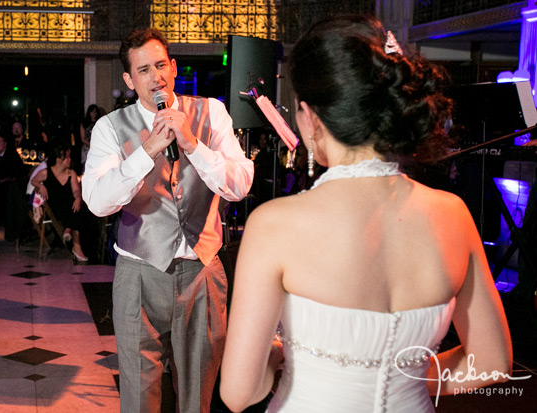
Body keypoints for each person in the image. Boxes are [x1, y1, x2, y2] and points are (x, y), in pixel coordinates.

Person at [220, 15, 512, 413]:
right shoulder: (453, 214)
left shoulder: (274, 225)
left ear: (309, 118)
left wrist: (277, 355)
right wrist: (397, 378)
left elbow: (239, 394)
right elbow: (492, 365)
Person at [82, 28, 254, 413]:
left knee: (198, 394)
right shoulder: (110, 128)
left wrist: (192, 143)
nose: (155, 77)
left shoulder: (212, 112)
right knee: (139, 394)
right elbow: (97, 202)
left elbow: (240, 184)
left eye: (161, 65)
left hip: (202, 271)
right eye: (143, 69)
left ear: (174, 68)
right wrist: (147, 151)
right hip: (139, 273)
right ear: (129, 80)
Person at [31, 141, 88, 262]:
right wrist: (41, 186)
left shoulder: (71, 173)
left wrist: (78, 198)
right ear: (59, 158)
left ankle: (69, 232)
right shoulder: (46, 173)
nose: (69, 159)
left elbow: (76, 190)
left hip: (69, 207)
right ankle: (76, 246)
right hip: (55, 207)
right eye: (67, 156)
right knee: (73, 210)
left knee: (76, 206)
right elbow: (33, 181)